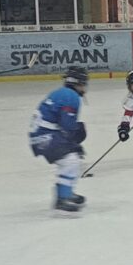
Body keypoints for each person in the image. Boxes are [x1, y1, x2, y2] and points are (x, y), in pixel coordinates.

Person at [29, 67, 88, 213]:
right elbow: (67, 125)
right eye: (84, 83)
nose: (85, 87)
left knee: (70, 159)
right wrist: (74, 142)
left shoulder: (61, 93)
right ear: (79, 83)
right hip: (45, 137)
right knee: (71, 160)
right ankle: (62, 199)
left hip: (41, 136)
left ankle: (66, 192)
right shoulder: (71, 96)